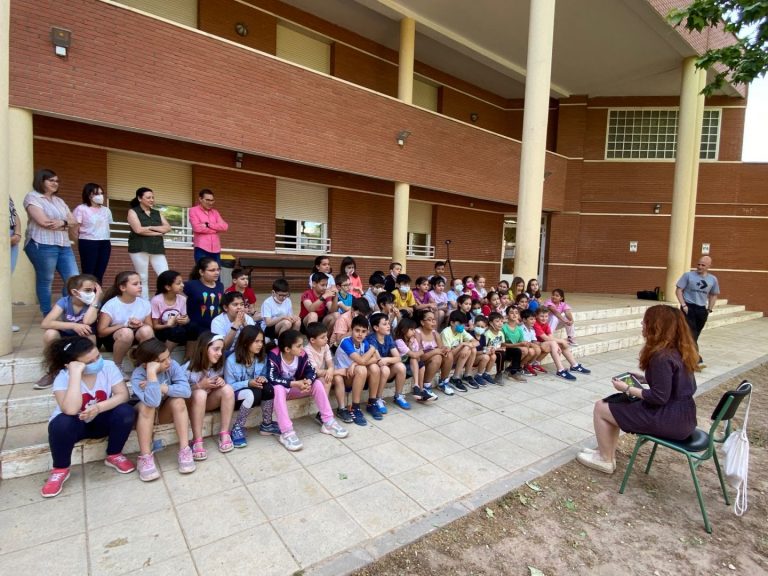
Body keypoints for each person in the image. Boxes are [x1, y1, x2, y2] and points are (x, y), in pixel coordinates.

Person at [577, 305, 699, 474]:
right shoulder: (680, 351)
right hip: (684, 417)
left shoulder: (661, 357)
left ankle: (605, 459)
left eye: (646, 321)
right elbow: (676, 385)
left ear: (657, 326)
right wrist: (646, 379)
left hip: (667, 419)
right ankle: (606, 452)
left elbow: (659, 397)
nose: (642, 323)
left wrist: (627, 388)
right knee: (613, 403)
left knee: (601, 408)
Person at [41, 336, 135, 497]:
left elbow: (122, 395)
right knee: (61, 423)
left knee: (125, 411)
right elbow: (70, 409)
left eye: (97, 356)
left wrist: (99, 407)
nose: (97, 362)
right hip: (76, 425)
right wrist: (75, 376)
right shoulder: (63, 377)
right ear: (72, 365)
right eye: (89, 361)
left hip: (101, 419)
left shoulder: (108, 366)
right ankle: (60, 469)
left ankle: (114, 454)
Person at [266, 329, 349, 450]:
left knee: (318, 383)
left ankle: (328, 422)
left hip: (298, 388)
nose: (302, 348)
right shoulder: (274, 355)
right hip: (283, 391)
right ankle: (286, 432)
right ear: (287, 349)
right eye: (299, 346)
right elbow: (272, 378)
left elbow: (311, 371)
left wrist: (308, 382)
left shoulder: (302, 354)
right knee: (278, 388)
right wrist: (295, 383)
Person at [130, 338, 195, 481]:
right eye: (162, 360)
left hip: (163, 413)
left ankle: (185, 450)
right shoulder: (138, 375)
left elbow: (186, 391)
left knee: (178, 401)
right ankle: (145, 458)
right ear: (148, 363)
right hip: (143, 417)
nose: (169, 362)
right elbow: (152, 402)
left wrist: (163, 387)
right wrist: (152, 374)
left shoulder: (173, 366)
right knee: (148, 406)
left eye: (169, 356)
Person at [23, 169, 80, 315]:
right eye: (51, 180)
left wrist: (62, 222)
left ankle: (67, 310)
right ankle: (47, 313)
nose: (55, 183)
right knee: (46, 279)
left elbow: (73, 220)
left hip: (64, 244)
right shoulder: (33, 197)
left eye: (57, 181)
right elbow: (44, 222)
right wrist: (66, 222)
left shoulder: (59, 200)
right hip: (41, 243)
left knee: (73, 278)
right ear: (41, 181)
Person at [224, 325, 277, 446]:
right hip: (236, 397)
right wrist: (247, 383)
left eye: (262, 341)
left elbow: (265, 375)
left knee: (268, 388)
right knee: (251, 393)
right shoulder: (231, 361)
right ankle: (237, 427)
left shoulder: (261, 357)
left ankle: (266, 424)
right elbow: (228, 387)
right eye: (256, 341)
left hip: (254, 394)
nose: (260, 345)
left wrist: (263, 378)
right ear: (246, 342)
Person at [97, 271, 154, 373]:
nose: (140, 286)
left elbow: (150, 326)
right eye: (135, 284)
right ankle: (117, 367)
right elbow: (101, 332)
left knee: (147, 330)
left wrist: (141, 324)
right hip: (115, 340)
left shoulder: (145, 303)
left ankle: (144, 365)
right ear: (123, 288)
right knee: (126, 333)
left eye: (140, 283)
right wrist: (124, 325)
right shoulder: (111, 304)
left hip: (136, 338)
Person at [333, 316, 382, 424]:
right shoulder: (346, 342)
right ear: (351, 329)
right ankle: (355, 407)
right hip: (343, 376)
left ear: (367, 332)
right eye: (357, 330)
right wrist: (373, 349)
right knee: (361, 369)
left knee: (374, 368)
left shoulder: (364, 342)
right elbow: (362, 360)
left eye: (363, 331)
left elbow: (376, 358)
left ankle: (372, 403)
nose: (360, 334)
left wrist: (355, 364)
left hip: (354, 374)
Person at [126, 187, 171, 299]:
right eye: (148, 197)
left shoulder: (156, 213)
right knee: (143, 277)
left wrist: (150, 227)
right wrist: (158, 232)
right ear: (140, 198)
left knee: (165, 275)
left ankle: (162, 301)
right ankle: (144, 303)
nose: (151, 200)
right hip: (139, 247)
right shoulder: (133, 211)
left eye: (152, 197)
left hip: (157, 248)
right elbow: (138, 230)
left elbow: (167, 227)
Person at [675, 255, 720, 367]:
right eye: (698, 264)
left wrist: (709, 309)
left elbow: (714, 295)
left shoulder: (712, 279)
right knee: (691, 333)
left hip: (702, 309)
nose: (699, 267)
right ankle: (695, 358)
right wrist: (683, 305)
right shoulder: (688, 275)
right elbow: (679, 290)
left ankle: (683, 354)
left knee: (695, 334)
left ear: (709, 266)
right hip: (688, 307)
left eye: (703, 265)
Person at [304, 321, 351, 423]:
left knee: (337, 378)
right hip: (310, 378)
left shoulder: (325, 346)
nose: (326, 339)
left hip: (322, 374)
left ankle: (342, 408)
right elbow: (315, 372)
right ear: (312, 340)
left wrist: (331, 370)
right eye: (323, 337)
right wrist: (336, 371)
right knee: (327, 380)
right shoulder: (307, 351)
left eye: (326, 336)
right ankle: (322, 412)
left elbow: (330, 363)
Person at [366, 312, 410, 410]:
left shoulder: (388, 338)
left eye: (388, 323)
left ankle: (398, 395)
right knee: (385, 368)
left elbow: (398, 358)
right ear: (376, 328)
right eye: (384, 324)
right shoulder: (371, 339)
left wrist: (387, 359)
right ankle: (378, 398)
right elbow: (379, 361)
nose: (388, 326)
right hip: (373, 372)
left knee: (401, 367)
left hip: (385, 368)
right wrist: (387, 360)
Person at [533, 308, 591, 380]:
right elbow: (546, 338)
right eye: (542, 316)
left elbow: (550, 336)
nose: (544, 318)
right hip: (534, 344)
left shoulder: (546, 324)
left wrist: (559, 344)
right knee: (555, 343)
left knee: (559, 344)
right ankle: (560, 370)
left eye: (546, 316)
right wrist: (561, 341)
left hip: (544, 344)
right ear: (536, 316)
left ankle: (574, 365)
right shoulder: (535, 324)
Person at [72, 183, 113, 285]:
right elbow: (74, 229)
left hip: (105, 242)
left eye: (101, 193)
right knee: (88, 272)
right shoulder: (81, 209)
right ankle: (86, 296)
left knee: (100, 272)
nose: (100, 196)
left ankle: (97, 296)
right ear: (89, 195)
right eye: (96, 193)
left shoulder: (106, 210)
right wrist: (80, 243)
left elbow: (106, 226)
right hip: (88, 242)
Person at [150, 270, 195, 353]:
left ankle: (188, 359)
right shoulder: (156, 300)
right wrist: (167, 325)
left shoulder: (182, 299)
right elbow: (155, 326)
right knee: (178, 331)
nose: (182, 285)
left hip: (178, 330)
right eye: (178, 283)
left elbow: (184, 317)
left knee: (193, 327)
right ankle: (163, 355)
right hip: (163, 332)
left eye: (182, 282)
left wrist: (186, 320)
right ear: (168, 287)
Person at [394, 317, 434, 402]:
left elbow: (418, 357)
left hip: (411, 366)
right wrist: (426, 349)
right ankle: (416, 386)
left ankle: (421, 390)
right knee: (413, 358)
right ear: (404, 330)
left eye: (414, 329)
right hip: (401, 367)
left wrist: (411, 345)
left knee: (421, 365)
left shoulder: (413, 340)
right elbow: (413, 355)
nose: (414, 332)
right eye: (411, 329)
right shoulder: (399, 341)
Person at [416, 310, 455, 396]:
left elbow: (441, 348)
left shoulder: (435, 333)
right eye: (429, 320)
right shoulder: (417, 333)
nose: (433, 322)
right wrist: (435, 351)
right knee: (437, 357)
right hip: (421, 362)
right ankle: (426, 386)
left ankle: (443, 382)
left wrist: (445, 349)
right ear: (422, 322)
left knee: (449, 354)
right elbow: (419, 357)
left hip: (433, 361)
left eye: (434, 319)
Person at [440, 310, 481, 392]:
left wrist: (467, 345)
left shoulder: (461, 331)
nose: (462, 326)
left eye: (463, 324)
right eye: (460, 324)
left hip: (457, 357)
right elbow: (449, 354)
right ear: (452, 323)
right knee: (467, 348)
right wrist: (462, 345)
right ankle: (455, 378)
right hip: (447, 359)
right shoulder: (446, 333)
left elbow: (477, 342)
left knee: (472, 348)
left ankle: (467, 375)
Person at [184, 257, 224, 334]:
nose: (217, 273)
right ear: (201, 272)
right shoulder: (191, 285)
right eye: (212, 270)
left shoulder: (220, 285)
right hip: (196, 327)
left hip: (216, 326)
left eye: (218, 269)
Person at [189, 188, 228, 263]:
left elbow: (225, 227)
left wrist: (208, 225)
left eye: (212, 200)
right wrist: (216, 229)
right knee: (202, 273)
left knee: (216, 274)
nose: (210, 203)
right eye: (207, 200)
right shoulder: (193, 210)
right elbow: (197, 228)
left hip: (216, 249)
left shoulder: (215, 212)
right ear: (200, 199)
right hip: (201, 248)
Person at [211, 291, 255, 357]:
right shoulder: (217, 321)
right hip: (225, 354)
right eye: (235, 304)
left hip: (244, 351)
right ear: (225, 308)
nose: (239, 307)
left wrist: (245, 324)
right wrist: (235, 326)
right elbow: (223, 347)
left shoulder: (248, 318)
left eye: (242, 304)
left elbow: (254, 341)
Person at [9, 198, 21, 332]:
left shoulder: (5, 192)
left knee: (5, 280)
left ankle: (4, 321)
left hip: (11, 234)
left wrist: (17, 233)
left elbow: (13, 213)